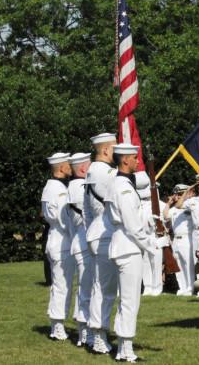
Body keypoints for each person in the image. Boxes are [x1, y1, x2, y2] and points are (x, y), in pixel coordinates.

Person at [108, 143, 155, 362]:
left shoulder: (123, 183)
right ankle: (126, 349)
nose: (138, 161)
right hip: (128, 246)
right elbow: (131, 225)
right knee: (129, 300)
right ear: (125, 160)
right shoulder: (123, 186)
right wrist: (150, 245)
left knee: (127, 299)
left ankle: (123, 348)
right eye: (134, 158)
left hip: (125, 245)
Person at [84, 133, 118, 354]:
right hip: (104, 232)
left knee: (102, 287)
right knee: (104, 289)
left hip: (99, 230)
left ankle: (95, 332)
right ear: (105, 150)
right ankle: (98, 334)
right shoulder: (102, 171)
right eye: (115, 149)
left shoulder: (94, 171)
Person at [41, 152, 75, 341]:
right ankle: (57, 326)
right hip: (63, 241)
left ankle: (58, 324)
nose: (70, 168)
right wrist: (78, 235)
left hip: (55, 239)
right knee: (62, 286)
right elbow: (64, 219)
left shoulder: (50, 187)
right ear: (61, 168)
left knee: (61, 285)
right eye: (68, 165)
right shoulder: (59, 189)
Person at [66, 153, 94, 347]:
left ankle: (85, 330)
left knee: (87, 287)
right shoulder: (79, 187)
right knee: (88, 288)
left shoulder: (74, 186)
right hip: (85, 239)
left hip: (80, 238)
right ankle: (86, 332)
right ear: (83, 169)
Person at [138, 173, 167, 296]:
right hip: (145, 237)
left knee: (156, 263)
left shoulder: (161, 205)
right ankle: (148, 286)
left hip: (156, 236)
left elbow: (164, 221)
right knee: (146, 262)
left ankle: (157, 287)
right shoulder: (141, 205)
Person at [163, 184, 195, 296]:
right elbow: (166, 216)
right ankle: (182, 287)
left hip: (187, 238)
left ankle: (190, 287)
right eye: (176, 194)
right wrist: (168, 203)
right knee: (179, 264)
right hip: (176, 240)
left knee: (188, 264)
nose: (177, 196)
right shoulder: (174, 209)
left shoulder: (189, 206)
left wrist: (187, 195)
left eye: (180, 194)